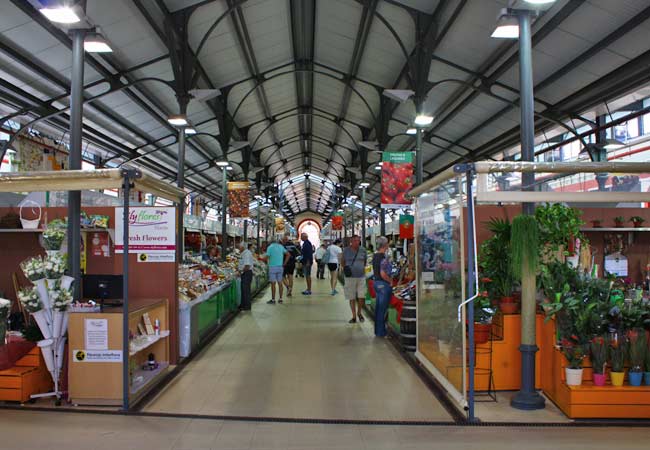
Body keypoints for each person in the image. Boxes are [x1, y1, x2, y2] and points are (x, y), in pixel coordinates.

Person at [342, 235, 368, 323]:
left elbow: (365, 261)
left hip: (361, 276)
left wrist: (360, 268)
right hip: (350, 277)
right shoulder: (346, 250)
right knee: (351, 296)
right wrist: (346, 269)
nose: (357, 242)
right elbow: (342, 261)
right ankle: (354, 316)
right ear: (351, 241)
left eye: (358, 240)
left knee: (362, 296)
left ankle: (359, 312)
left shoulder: (363, 250)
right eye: (355, 241)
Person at [372, 236, 394, 337]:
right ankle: (381, 332)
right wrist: (390, 281)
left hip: (376, 283)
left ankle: (377, 331)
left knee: (378, 309)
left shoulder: (375, 256)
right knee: (382, 310)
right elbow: (383, 273)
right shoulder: (383, 258)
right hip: (383, 285)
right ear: (385, 245)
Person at [264, 238, 290, 304]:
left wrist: (261, 258)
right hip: (280, 267)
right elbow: (288, 254)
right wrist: (284, 263)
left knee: (273, 284)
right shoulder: (281, 247)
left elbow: (267, 257)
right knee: (280, 283)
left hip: (272, 267)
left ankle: (273, 300)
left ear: (271, 242)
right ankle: (280, 299)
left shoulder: (270, 247)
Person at [238, 242, 254, 310]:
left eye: (239, 247)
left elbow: (247, 266)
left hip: (246, 273)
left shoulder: (246, 254)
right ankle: (243, 305)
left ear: (243, 247)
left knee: (246, 290)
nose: (239, 248)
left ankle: (247, 306)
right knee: (243, 289)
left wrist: (240, 272)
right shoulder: (244, 253)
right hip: (245, 273)